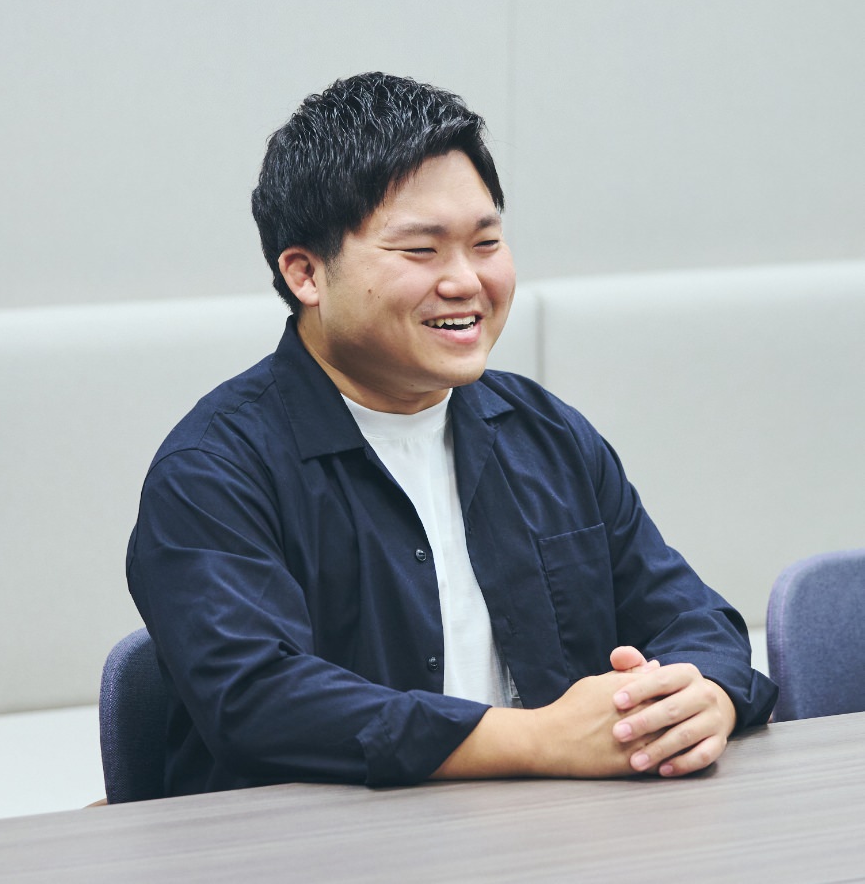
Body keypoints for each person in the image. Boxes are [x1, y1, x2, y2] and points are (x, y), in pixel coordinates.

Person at [127, 72, 777, 797]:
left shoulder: (546, 435)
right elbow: (259, 702)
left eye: (486, 242)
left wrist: (705, 696)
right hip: (314, 843)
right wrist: (539, 740)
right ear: (307, 274)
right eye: (421, 251)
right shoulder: (213, 469)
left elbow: (693, 618)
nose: (467, 281)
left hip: (555, 834)